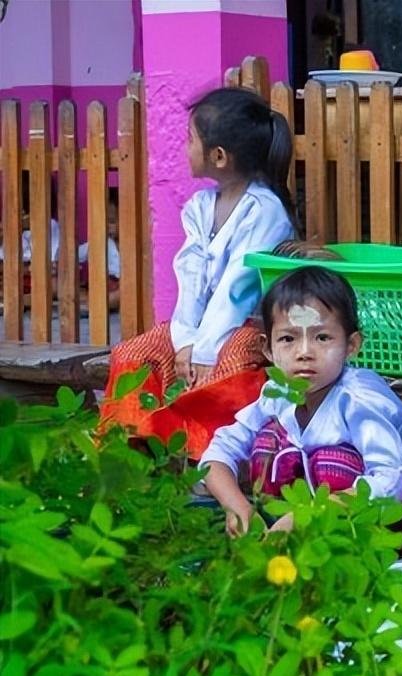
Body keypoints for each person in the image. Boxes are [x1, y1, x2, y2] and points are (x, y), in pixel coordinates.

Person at [101, 86, 295, 433]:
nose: (184, 148)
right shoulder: (200, 208)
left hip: (248, 327)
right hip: (201, 327)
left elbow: (238, 288)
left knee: (226, 368)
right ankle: (129, 446)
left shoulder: (264, 211)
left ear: (218, 156)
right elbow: (189, 278)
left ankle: (208, 456)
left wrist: (204, 352)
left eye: (190, 139)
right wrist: (185, 341)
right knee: (132, 354)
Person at [200, 266, 402, 537]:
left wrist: (310, 514)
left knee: (330, 460)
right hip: (290, 520)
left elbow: (392, 481)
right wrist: (238, 508)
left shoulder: (358, 399)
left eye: (322, 338)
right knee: (267, 441)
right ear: (268, 349)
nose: (304, 353)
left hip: (361, 530)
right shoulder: (278, 394)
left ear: (352, 345)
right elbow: (218, 452)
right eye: (288, 339)